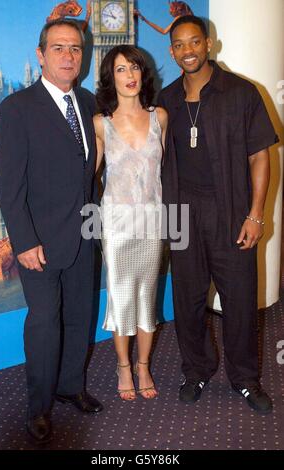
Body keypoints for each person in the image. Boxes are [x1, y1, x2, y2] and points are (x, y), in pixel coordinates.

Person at [158, 15, 279, 414]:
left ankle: (245, 379)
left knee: (240, 300)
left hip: (231, 212)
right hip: (182, 213)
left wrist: (256, 215)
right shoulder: (167, 99)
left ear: (209, 44)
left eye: (194, 42)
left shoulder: (242, 93)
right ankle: (196, 369)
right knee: (187, 300)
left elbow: (261, 155)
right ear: (172, 50)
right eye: (179, 44)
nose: (187, 50)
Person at [0, 19, 102, 445]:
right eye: (58, 48)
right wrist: (23, 242)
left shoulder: (92, 103)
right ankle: (37, 407)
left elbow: (91, 175)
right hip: (38, 242)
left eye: (75, 48)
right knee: (44, 324)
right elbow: (9, 182)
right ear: (41, 55)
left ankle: (70, 386)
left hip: (84, 235)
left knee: (80, 317)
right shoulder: (17, 107)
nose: (68, 56)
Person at [94, 45, 168, 400]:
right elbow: (88, 177)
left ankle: (143, 365)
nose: (130, 75)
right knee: (121, 295)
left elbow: (166, 173)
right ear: (111, 77)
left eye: (135, 67)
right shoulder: (100, 124)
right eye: (121, 69)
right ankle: (123, 366)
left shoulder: (160, 118)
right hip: (118, 224)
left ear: (143, 73)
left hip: (152, 220)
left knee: (146, 295)